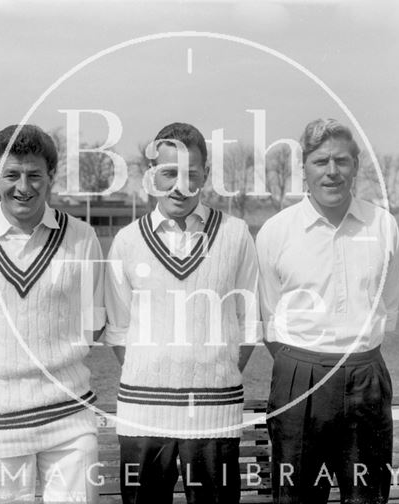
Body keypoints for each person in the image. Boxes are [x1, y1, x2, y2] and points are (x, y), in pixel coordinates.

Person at [0, 124, 105, 503]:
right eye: (11, 175)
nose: (23, 187)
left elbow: (93, 322)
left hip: (70, 418)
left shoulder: (81, 237)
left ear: (51, 177)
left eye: (34, 175)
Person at [104, 122, 261, 504]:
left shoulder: (236, 234)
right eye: (169, 173)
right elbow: (120, 332)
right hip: (144, 413)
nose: (180, 185)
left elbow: (249, 325)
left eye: (191, 174)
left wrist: (211, 370)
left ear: (205, 175)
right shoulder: (127, 241)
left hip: (214, 415)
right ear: (151, 175)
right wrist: (160, 371)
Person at [256, 118, 399, 504]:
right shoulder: (276, 231)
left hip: (366, 378)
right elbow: (270, 318)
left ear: (356, 165)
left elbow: (387, 304)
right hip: (299, 377)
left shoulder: (384, 226)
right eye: (321, 161)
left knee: (367, 497)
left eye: (342, 160)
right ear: (304, 169)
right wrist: (309, 364)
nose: (332, 171)